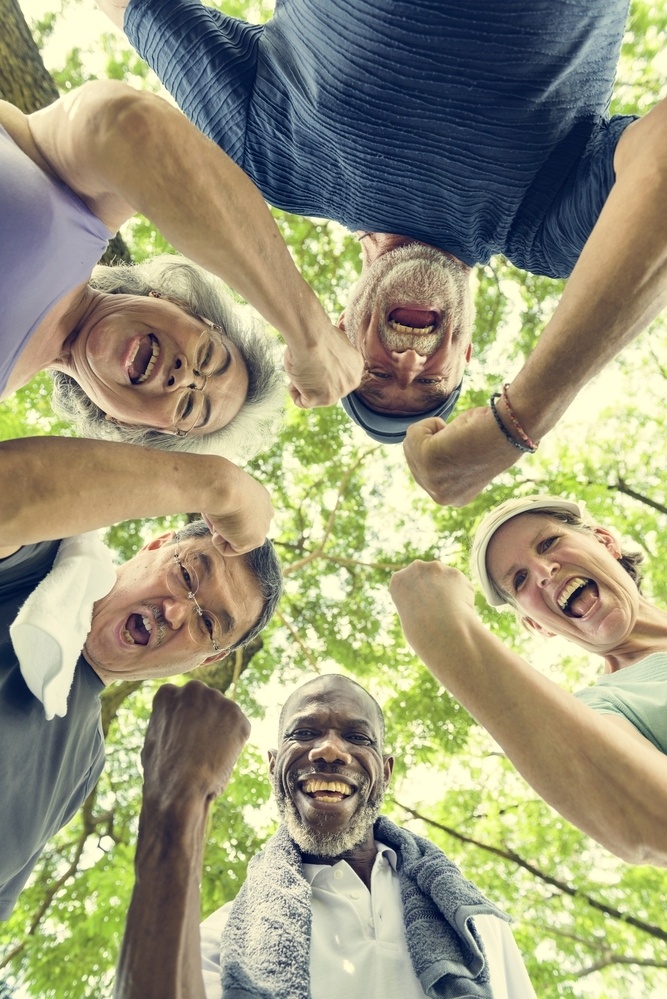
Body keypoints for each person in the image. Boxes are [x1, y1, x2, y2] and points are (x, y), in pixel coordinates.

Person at [98, 0, 667, 500]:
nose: (410, 362)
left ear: (340, 329)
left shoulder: (276, 166)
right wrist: (520, 421)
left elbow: (138, 10)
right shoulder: (545, 229)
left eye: (374, 372)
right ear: (464, 353)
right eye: (429, 381)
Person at [114, 673, 537, 998]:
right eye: (304, 733)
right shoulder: (224, 940)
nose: (330, 751)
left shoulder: (475, 926)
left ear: (385, 774)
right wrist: (178, 799)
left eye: (356, 737)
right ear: (273, 766)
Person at [1, 78, 363, 457]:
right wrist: (310, 334)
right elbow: (133, 127)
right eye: (208, 357)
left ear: (126, 423)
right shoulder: (84, 207)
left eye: (190, 408)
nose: (185, 378)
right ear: (176, 302)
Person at [0, 434, 282, 919]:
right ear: (153, 547)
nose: (176, 612)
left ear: (205, 661)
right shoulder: (40, 554)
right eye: (188, 575)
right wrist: (217, 483)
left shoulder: (84, 765)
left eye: (208, 624)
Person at [389, 495, 667, 868]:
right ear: (536, 625)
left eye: (548, 542)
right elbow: (651, 823)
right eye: (520, 580)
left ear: (604, 541)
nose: (542, 570)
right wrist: (449, 638)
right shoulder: (604, 713)